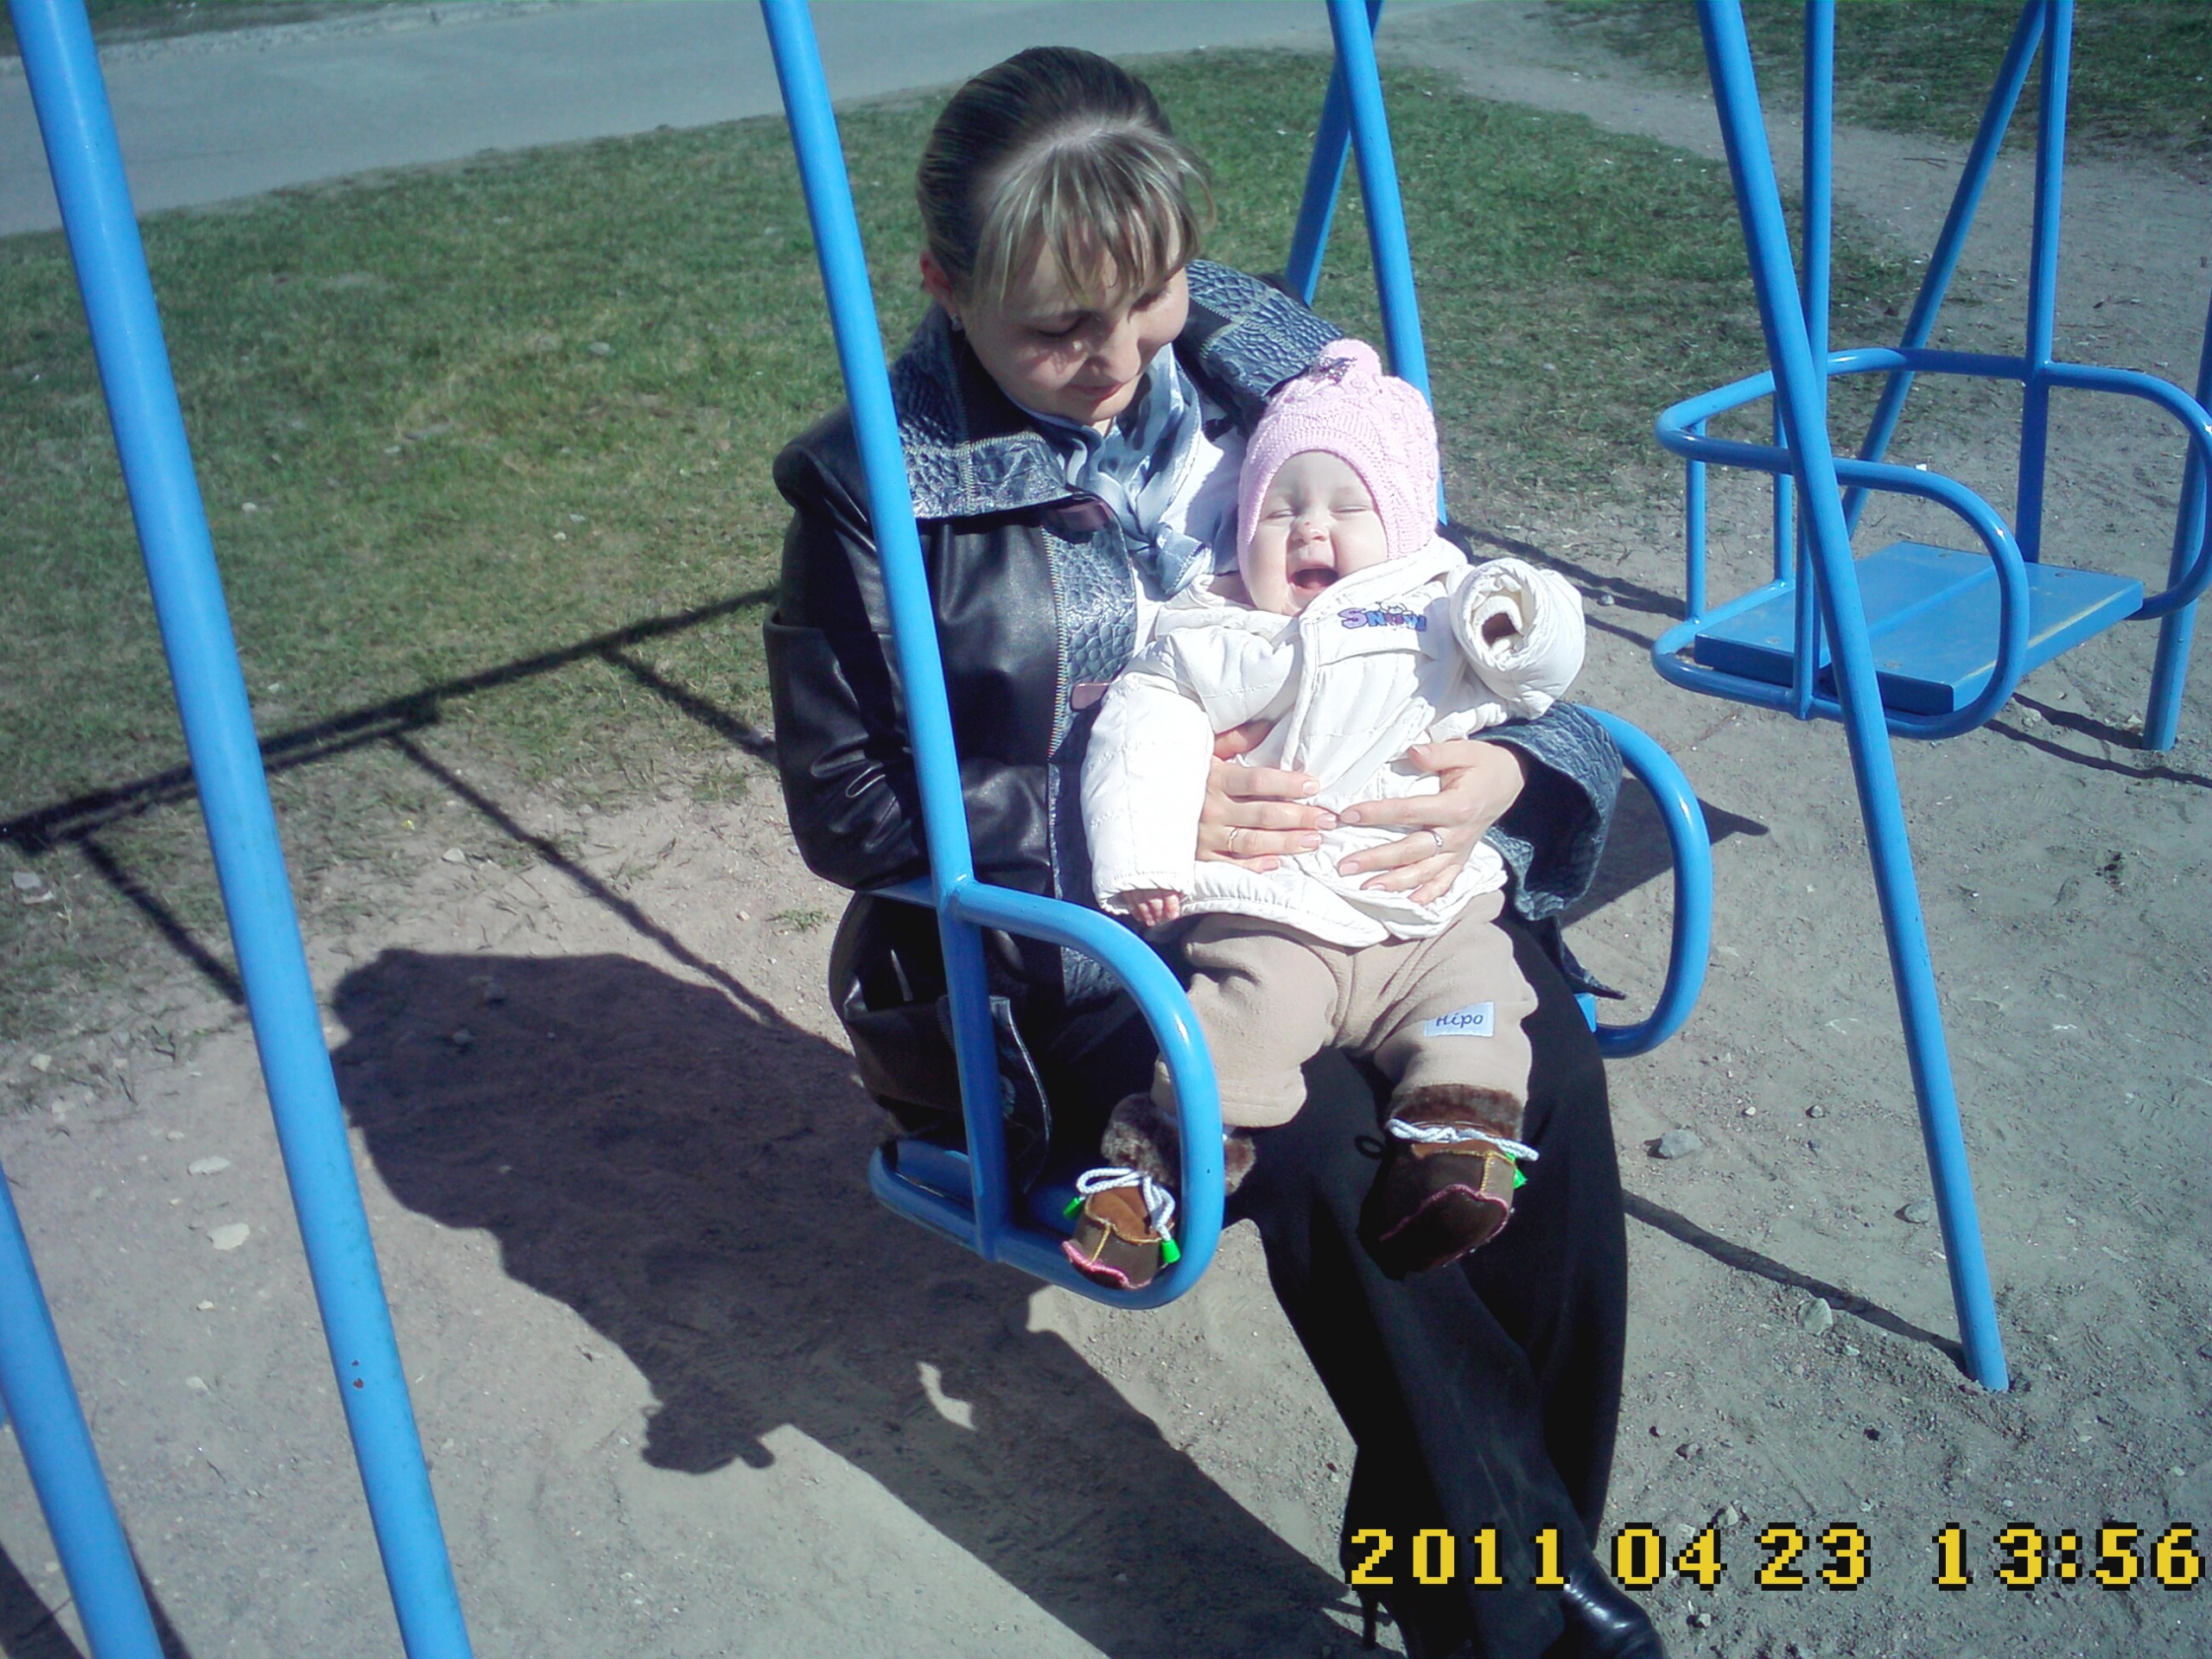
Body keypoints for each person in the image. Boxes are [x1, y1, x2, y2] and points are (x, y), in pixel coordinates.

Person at [766, 44, 1663, 1659]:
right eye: (1059, 329)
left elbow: (1446, 595)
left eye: (1150, 299)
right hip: (1080, 944)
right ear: (947, 287)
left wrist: (1512, 771)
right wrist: (1135, 814)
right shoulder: (870, 489)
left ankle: (1501, 1553)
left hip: (1359, 877)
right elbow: (847, 803)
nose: (1118, 362)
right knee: (1316, 1138)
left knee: (1548, 1066)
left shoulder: (1279, 370)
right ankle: (1520, 1613)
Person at [1067, 339, 1588, 1292]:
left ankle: (1455, 1155)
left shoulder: (1446, 612)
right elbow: (1142, 732)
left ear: (1402, 525)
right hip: (1279, 920)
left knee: (1484, 1003)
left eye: (1348, 508)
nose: (1311, 529)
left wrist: (1520, 614)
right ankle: (1151, 1183)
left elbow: (1542, 672)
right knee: (1230, 1030)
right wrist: (1144, 859)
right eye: (1280, 510)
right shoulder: (1219, 634)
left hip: (1425, 913)